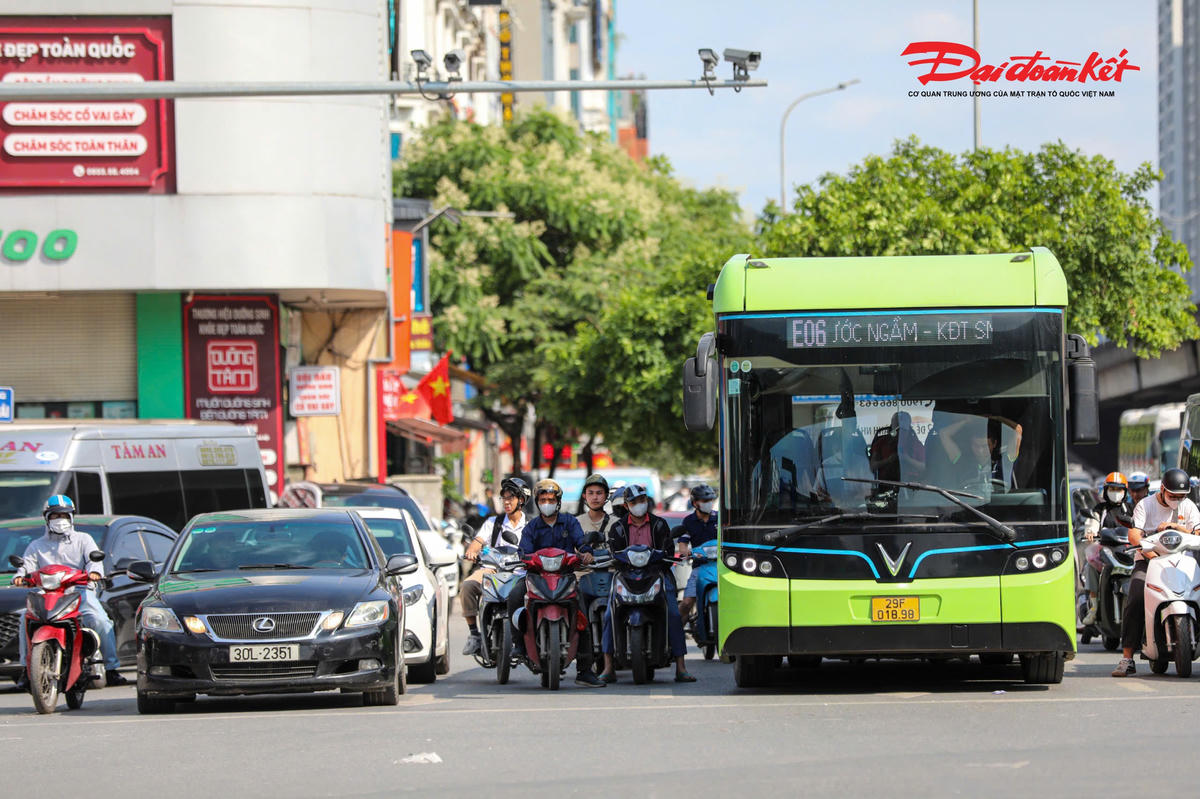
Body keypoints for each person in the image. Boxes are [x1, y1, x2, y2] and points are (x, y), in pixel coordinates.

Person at [12, 495, 128, 688]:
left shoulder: (84, 540)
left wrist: (95, 573)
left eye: (64, 515)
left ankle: (111, 669)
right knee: (25, 618)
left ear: (72, 517)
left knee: (99, 620)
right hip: (47, 595)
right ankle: (26, 669)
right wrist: (20, 575)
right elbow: (26, 566)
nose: (60, 519)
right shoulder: (36, 545)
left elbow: (94, 561)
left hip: (79, 592)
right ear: (47, 518)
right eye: (55, 515)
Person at [506, 479, 605, 688]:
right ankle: (519, 646)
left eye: (551, 499)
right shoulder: (532, 526)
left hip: (565, 578)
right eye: (543, 499)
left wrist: (586, 552)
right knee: (514, 595)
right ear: (537, 502)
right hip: (536, 578)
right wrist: (522, 557)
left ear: (558, 502)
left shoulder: (570, 523)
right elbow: (523, 550)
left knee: (583, 614)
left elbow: (582, 542)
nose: (547, 503)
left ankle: (585, 670)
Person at [598, 484, 696, 684]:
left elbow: (668, 549)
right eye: (633, 502)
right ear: (626, 506)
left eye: (642, 501)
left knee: (674, 613)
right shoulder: (617, 528)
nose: (639, 505)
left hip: (657, 574)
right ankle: (608, 666)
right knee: (609, 614)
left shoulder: (659, 524)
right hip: (626, 576)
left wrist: (664, 556)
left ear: (647, 502)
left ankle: (681, 667)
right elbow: (613, 551)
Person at [1111, 468, 1200, 676]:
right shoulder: (1145, 505)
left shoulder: (1188, 507)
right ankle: (1127, 658)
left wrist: (1176, 527)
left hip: (1182, 562)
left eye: (1181, 496)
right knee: (1135, 597)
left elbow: (1197, 531)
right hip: (1149, 561)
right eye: (1172, 496)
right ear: (1162, 489)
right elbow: (1134, 533)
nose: (1177, 500)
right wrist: (1144, 547)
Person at [460, 477, 529, 656]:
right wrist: (472, 552)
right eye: (504, 498)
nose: (506, 502)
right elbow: (477, 542)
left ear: (521, 500)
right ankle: (474, 634)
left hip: (521, 573)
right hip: (493, 570)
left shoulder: (530, 525)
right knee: (467, 585)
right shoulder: (493, 522)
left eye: (511, 498)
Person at [1080, 472, 1133, 625]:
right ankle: (1094, 608)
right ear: (1105, 490)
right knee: (1091, 568)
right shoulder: (1100, 509)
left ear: (1125, 492)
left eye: (1119, 490)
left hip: (1127, 551)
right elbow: (1092, 523)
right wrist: (1090, 532)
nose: (1115, 493)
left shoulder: (1130, 509)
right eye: (1112, 489)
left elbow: (1138, 525)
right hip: (1104, 551)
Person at [678, 484, 718, 625]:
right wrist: (686, 552)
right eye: (704, 501)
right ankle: (674, 638)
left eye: (710, 500)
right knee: (687, 603)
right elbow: (683, 542)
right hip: (699, 568)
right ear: (695, 503)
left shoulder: (720, 518)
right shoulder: (689, 521)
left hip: (721, 567)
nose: (709, 504)